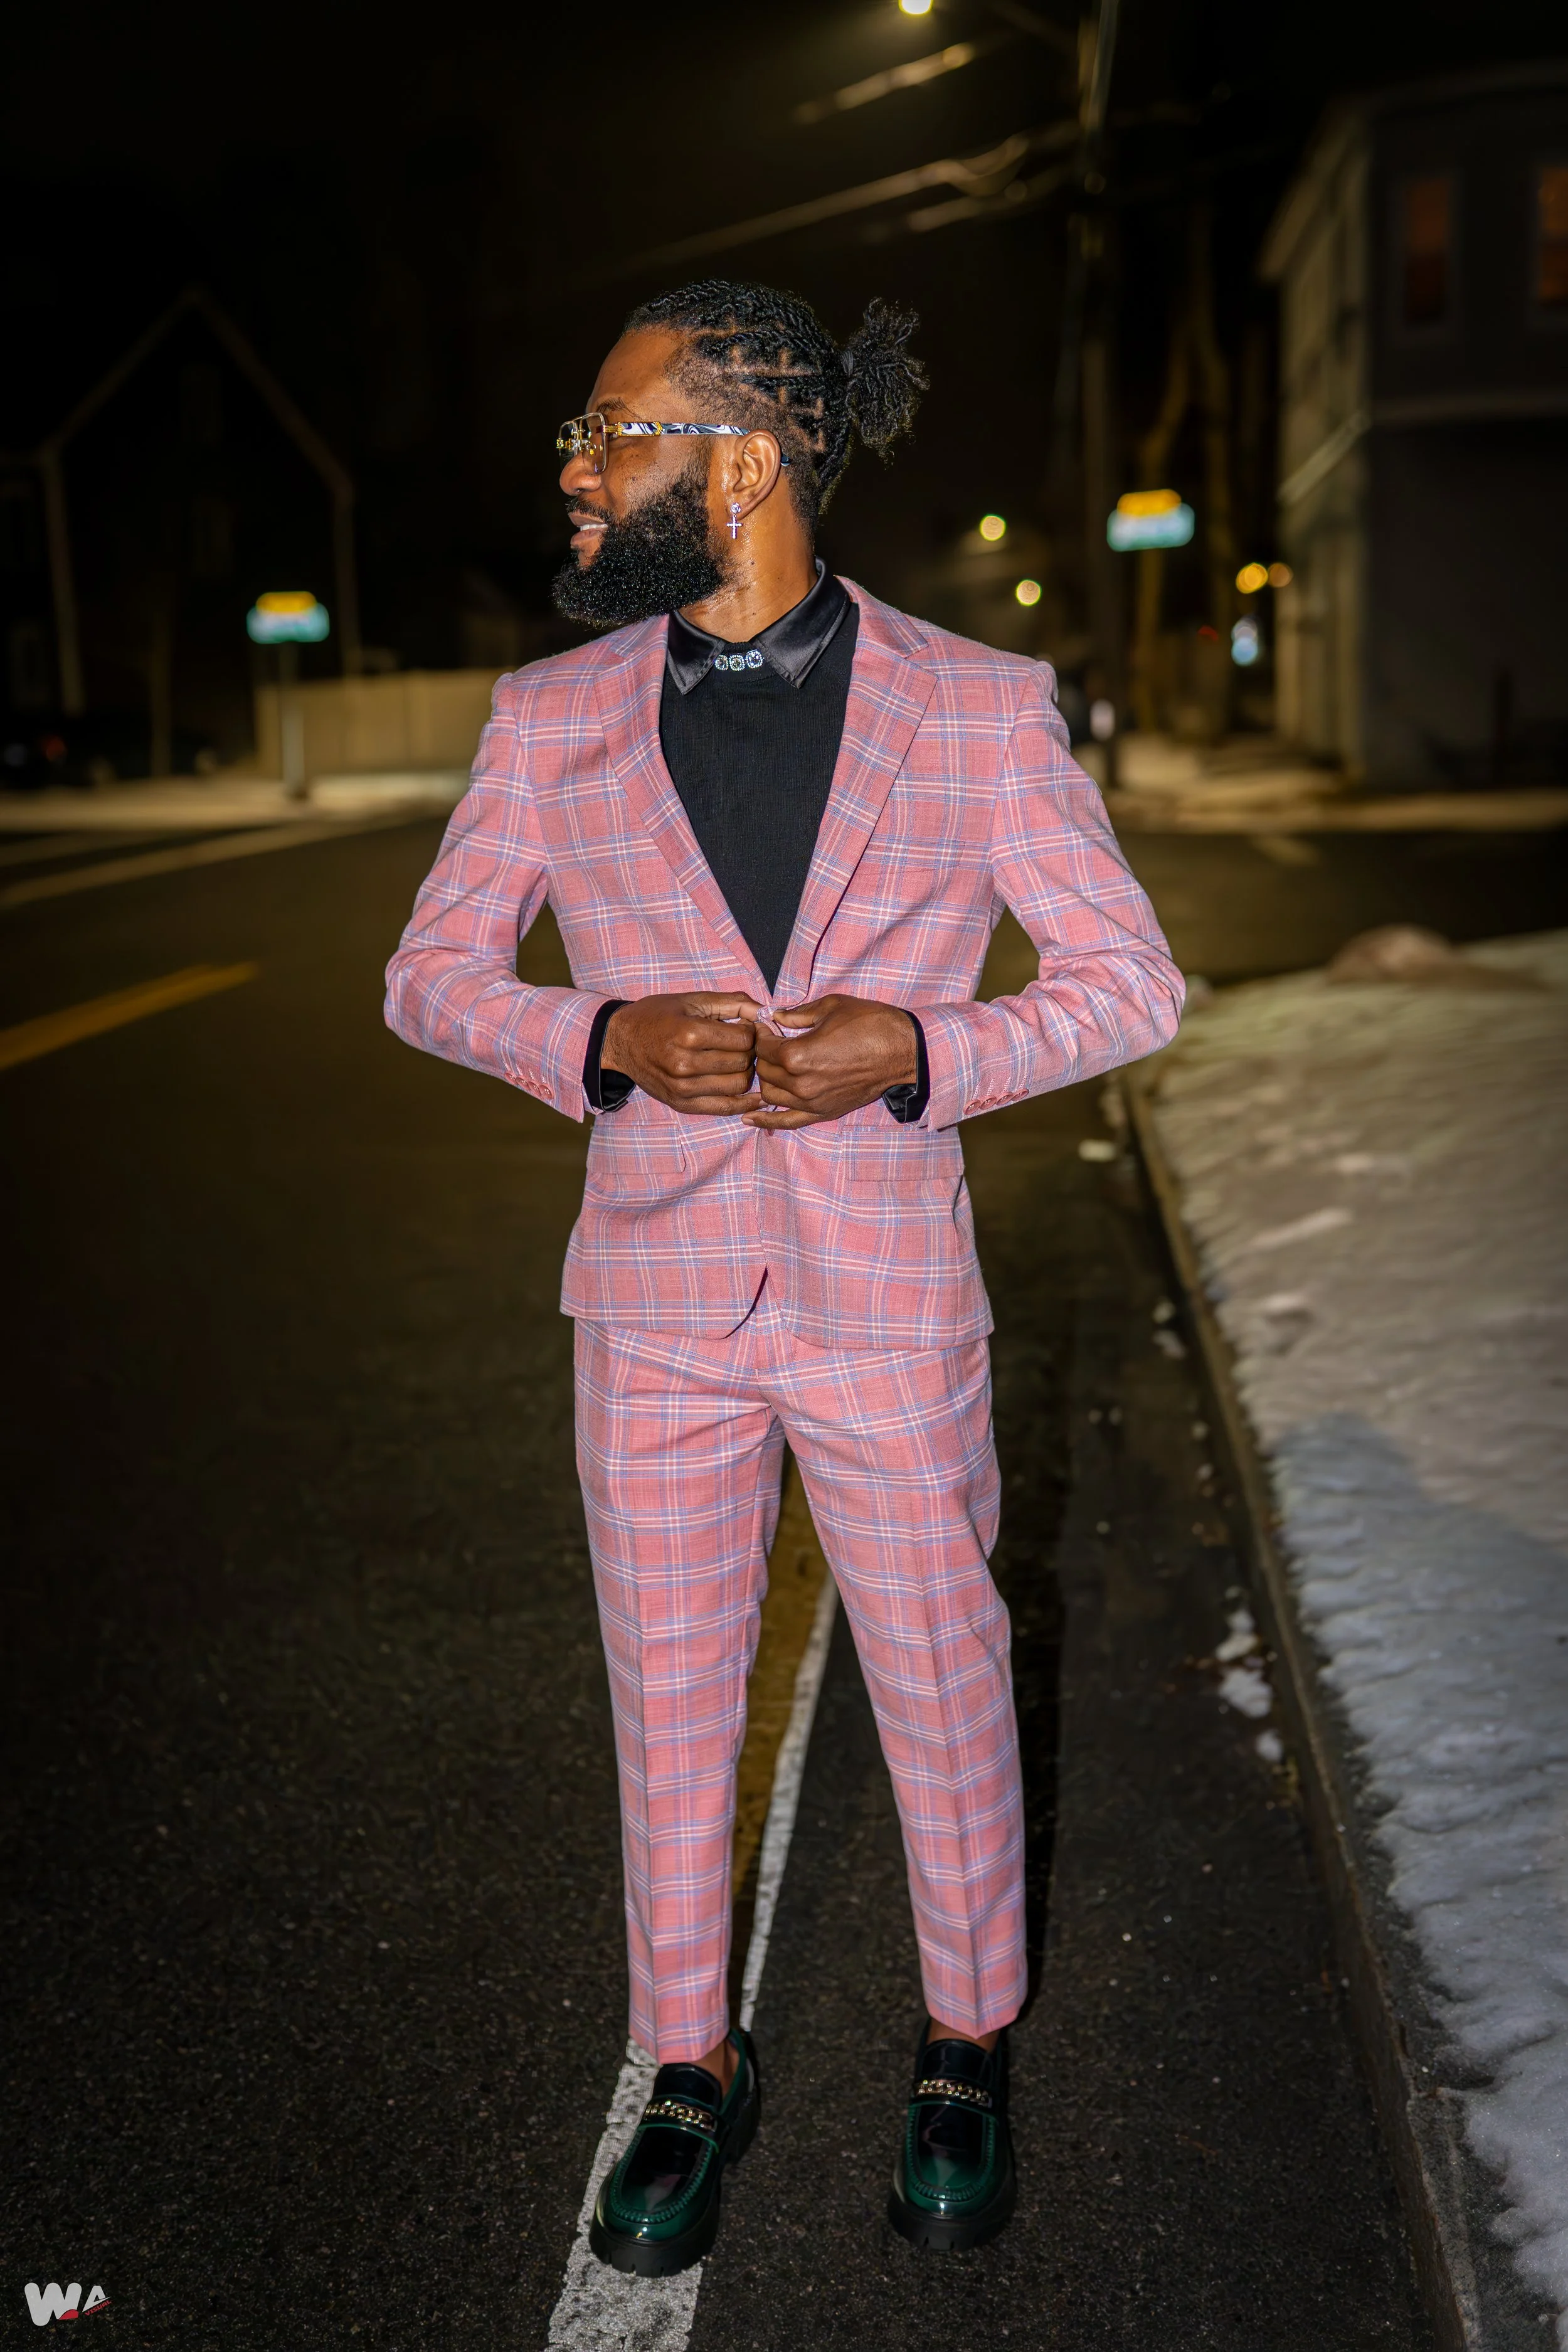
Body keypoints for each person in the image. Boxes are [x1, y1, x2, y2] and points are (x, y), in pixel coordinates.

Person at [384, 278, 1182, 2275]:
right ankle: (686, 2060)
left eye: (610, 433)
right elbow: (427, 976)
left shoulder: (978, 707)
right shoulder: (547, 716)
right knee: (667, 1700)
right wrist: (598, 1034)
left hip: (886, 1296)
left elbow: (1127, 982)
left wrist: (923, 1047)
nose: (573, 470)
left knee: (939, 1672)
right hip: (647, 1304)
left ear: (740, 460)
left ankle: (961, 2038)